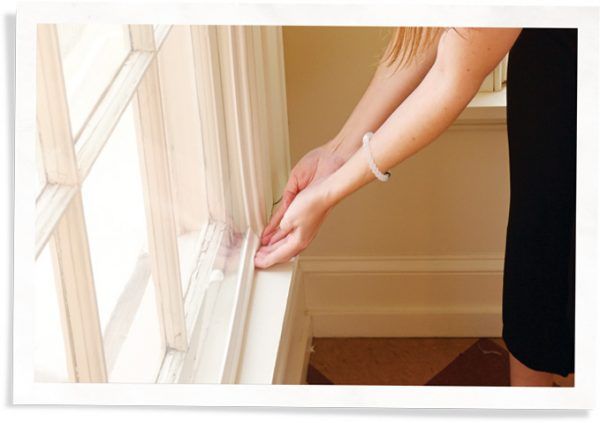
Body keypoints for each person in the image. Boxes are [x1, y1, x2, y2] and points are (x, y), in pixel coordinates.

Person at [254, 27, 576, 386]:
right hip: (549, 84)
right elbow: (430, 28)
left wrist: (330, 193)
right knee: (537, 273)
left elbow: (451, 75)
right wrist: (336, 153)